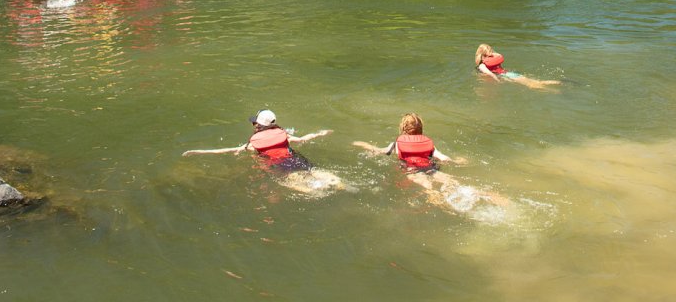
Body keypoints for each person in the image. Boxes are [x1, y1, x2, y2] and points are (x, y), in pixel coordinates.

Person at [353, 114, 508, 212]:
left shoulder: (397, 144)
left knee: (427, 187)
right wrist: (458, 161)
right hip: (431, 168)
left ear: (402, 129)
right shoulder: (428, 143)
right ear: (421, 129)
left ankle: (440, 201)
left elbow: (379, 151)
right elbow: (444, 158)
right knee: (453, 183)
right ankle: (483, 194)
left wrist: (364, 145)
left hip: (411, 171)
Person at [183, 110, 345, 195]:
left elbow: (227, 150)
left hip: (282, 167)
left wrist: (198, 152)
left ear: (257, 125)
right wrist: (321, 133)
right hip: (298, 159)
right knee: (319, 173)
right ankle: (341, 185)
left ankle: (322, 193)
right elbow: (303, 139)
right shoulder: (284, 134)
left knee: (306, 188)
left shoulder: (254, 144)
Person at [475, 44, 560, 89]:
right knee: (535, 81)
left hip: (505, 76)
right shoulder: (494, 59)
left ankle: (554, 91)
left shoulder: (482, 66)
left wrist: (498, 81)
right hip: (509, 73)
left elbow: (491, 74)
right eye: (490, 51)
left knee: (532, 85)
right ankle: (559, 82)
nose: (491, 53)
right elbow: (498, 56)